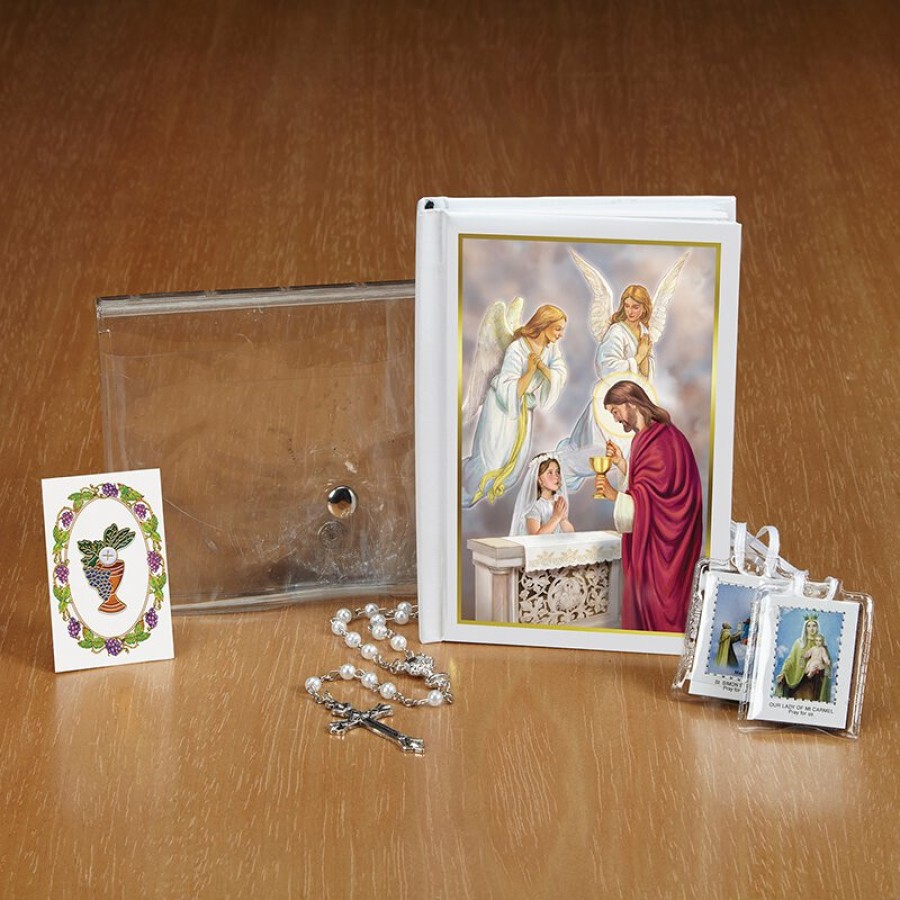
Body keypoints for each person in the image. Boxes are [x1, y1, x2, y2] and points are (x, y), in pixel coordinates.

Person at [593, 380, 703, 633]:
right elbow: (647, 487)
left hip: (665, 548)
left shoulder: (661, 441)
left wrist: (614, 496)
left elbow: (659, 503)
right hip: (656, 543)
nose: (616, 419)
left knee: (660, 611)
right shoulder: (647, 438)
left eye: (615, 411)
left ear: (631, 403)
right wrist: (622, 464)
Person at [462, 305, 568, 507]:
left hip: (522, 409)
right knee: (491, 461)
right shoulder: (517, 348)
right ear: (544, 325)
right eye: (557, 329)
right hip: (502, 406)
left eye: (562, 329)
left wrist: (542, 366)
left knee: (513, 465)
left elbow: (559, 373)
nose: (561, 334)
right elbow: (508, 387)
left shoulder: (551, 349)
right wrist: (531, 371)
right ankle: (463, 490)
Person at [557, 286, 655, 490]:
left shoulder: (644, 332)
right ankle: (555, 470)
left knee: (629, 453)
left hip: (632, 403)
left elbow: (645, 375)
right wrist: (638, 356)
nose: (630, 311)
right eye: (627, 306)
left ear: (644, 308)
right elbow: (606, 366)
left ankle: (632, 496)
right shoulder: (617, 331)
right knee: (600, 453)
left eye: (635, 307)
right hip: (610, 403)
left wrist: (644, 356)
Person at [509, 454, 575, 536]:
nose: (556, 476)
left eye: (557, 472)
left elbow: (570, 533)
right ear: (539, 480)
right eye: (550, 473)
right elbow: (535, 537)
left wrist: (563, 519)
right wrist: (556, 517)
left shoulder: (557, 500)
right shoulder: (534, 506)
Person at [776, 616, 832, 702]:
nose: (811, 629)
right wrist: (783, 672)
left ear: (817, 627)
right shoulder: (799, 643)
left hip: (814, 682)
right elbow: (791, 660)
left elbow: (827, 661)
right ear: (805, 628)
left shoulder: (822, 645)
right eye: (809, 626)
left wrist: (822, 667)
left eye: (814, 626)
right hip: (799, 680)